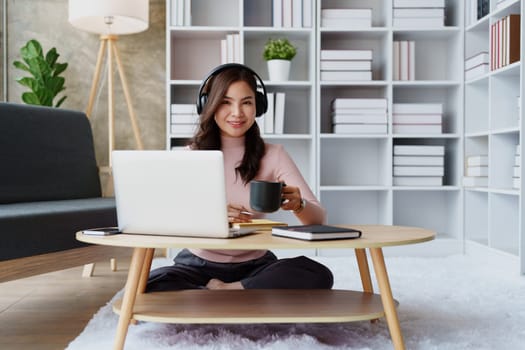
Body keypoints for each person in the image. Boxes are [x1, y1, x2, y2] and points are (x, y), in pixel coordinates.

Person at [146, 63, 333, 291]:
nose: (237, 113)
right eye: (226, 102)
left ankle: (226, 291)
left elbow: (318, 221)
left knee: (317, 274)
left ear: (258, 107)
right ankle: (242, 293)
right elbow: (166, 218)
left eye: (246, 102)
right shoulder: (191, 156)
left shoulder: (274, 154)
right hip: (197, 265)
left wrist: (299, 204)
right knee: (150, 283)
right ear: (209, 105)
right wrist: (211, 216)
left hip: (255, 265)